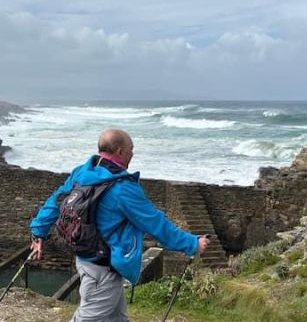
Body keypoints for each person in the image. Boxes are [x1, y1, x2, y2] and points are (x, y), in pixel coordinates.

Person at [28, 129, 209, 322]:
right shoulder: (123, 187)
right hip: (103, 269)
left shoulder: (82, 172)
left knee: (117, 317)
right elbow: (156, 223)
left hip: (85, 258)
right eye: (131, 149)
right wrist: (192, 244)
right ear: (120, 151)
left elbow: (55, 201)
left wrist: (38, 231)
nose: (133, 153)